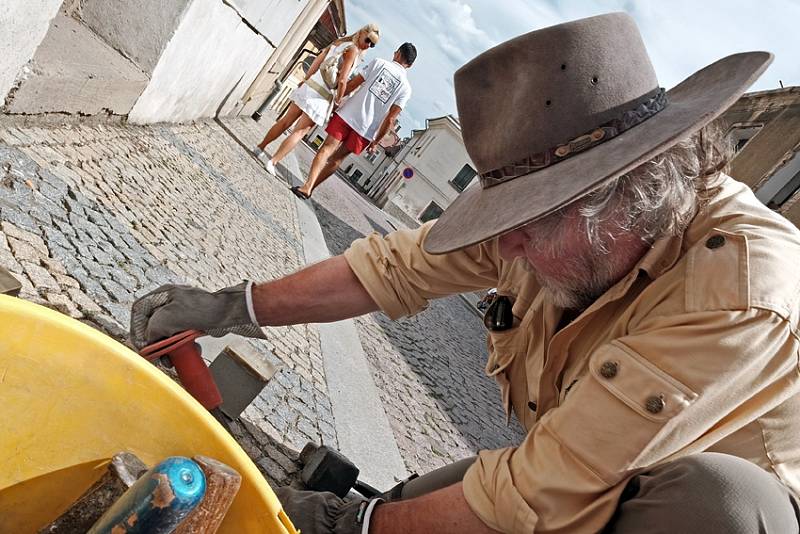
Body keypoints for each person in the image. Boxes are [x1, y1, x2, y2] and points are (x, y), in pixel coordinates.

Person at [130, 13, 800, 534]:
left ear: (625, 201)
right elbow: (396, 268)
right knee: (400, 509)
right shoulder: (566, 226)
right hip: (576, 474)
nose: (503, 248)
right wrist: (228, 307)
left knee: (723, 501)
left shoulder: (743, 291)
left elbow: (543, 491)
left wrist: (355, 525)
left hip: (664, 510)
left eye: (528, 223)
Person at [289, 42, 416, 200]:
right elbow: (390, 119)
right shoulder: (406, 88)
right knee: (337, 159)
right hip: (365, 130)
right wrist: (376, 141)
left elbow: (353, 83)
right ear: (409, 65)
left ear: (397, 54)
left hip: (348, 114)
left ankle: (307, 186)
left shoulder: (379, 63)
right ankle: (310, 188)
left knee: (326, 149)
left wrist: (336, 99)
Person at [253, 24, 380, 175]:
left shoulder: (339, 42)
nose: (368, 45)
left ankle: (260, 147)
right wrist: (339, 99)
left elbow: (318, 60)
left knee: (285, 121)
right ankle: (273, 161)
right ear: (362, 33)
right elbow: (342, 80)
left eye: (372, 45)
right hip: (321, 96)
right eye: (368, 40)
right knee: (299, 132)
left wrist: (306, 79)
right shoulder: (352, 50)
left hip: (310, 85)